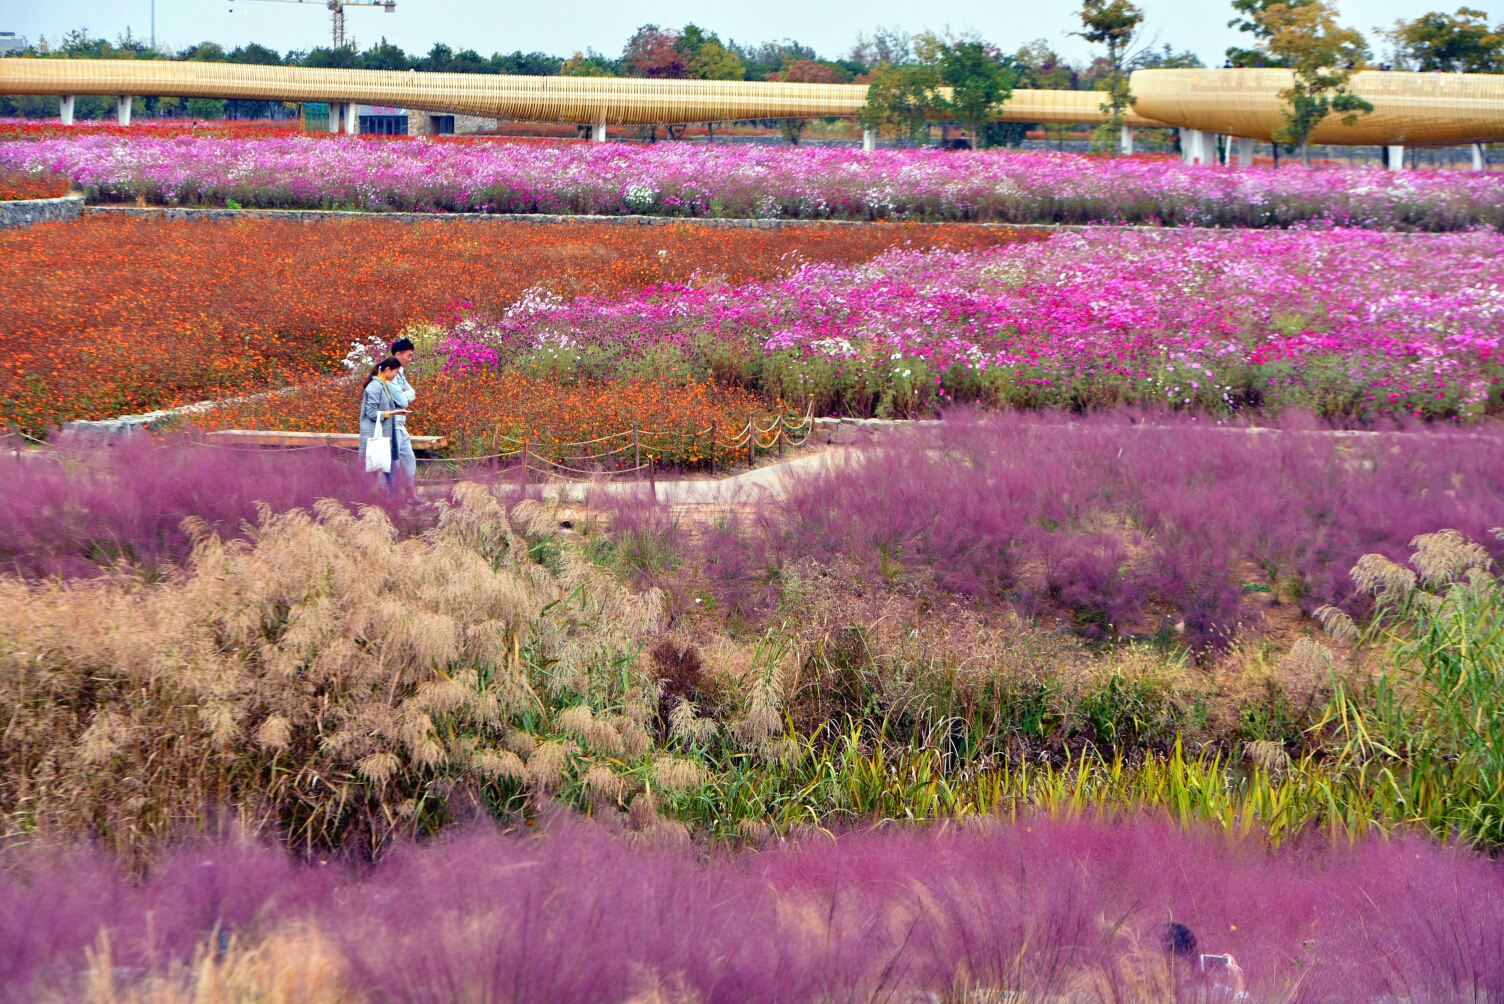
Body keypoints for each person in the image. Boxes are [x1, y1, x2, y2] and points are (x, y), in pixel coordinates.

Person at [359, 357, 408, 488]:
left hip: (384, 437)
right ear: (387, 369)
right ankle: (393, 501)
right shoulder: (375, 386)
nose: (396, 375)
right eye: (396, 372)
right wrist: (391, 413)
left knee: (383, 470)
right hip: (377, 437)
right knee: (383, 471)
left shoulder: (383, 385)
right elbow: (371, 412)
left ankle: (390, 500)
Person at [389, 337, 418, 481]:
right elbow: (402, 401)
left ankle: (409, 493)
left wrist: (404, 393)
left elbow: (412, 393)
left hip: (400, 422)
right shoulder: (388, 372)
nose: (410, 359)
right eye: (409, 355)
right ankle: (388, 494)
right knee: (392, 461)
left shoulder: (400, 373)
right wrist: (404, 393)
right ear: (398, 355)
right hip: (391, 422)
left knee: (408, 459)